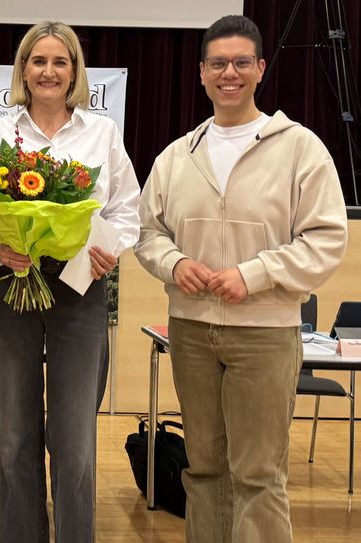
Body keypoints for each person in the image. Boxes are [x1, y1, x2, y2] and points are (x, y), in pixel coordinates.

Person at [134, 15, 348, 543]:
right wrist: (175, 264)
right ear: (201, 74)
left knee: (257, 475)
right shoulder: (175, 156)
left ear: (260, 69)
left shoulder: (301, 148)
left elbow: (325, 240)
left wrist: (254, 275)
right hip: (189, 331)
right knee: (203, 469)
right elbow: (148, 234)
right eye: (218, 64)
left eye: (240, 63)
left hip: (266, 334)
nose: (229, 73)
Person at [0, 21, 140, 543]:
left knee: (74, 439)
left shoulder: (101, 133)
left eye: (60, 62)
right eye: (38, 61)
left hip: (80, 288)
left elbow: (127, 208)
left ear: (74, 72)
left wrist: (111, 249)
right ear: (23, 70)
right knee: (16, 435)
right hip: (9, 284)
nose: (48, 71)